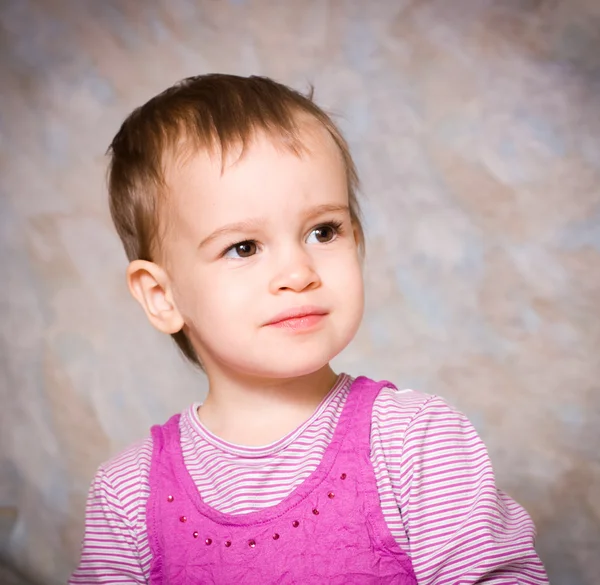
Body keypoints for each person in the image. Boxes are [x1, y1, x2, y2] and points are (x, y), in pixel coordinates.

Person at [70, 74, 548, 584]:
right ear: (163, 297)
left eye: (323, 232)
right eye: (245, 247)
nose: (299, 273)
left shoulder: (418, 443)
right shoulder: (128, 496)